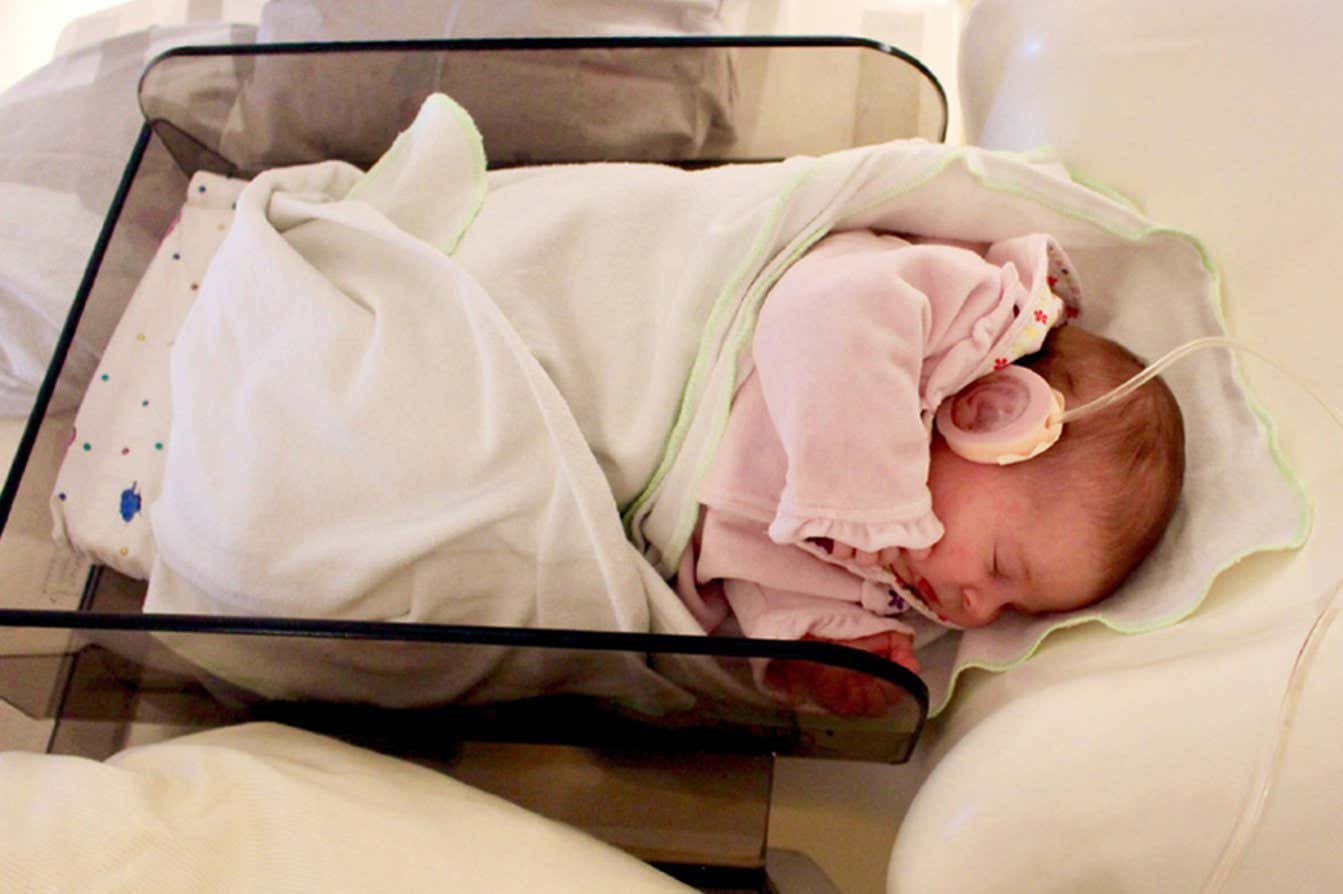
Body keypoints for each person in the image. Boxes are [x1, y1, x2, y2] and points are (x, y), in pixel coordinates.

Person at [673, 229, 1186, 715]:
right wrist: (871, 485)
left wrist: (828, 641)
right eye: (999, 566)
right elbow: (821, 307)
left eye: (1009, 610)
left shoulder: (885, 563)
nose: (979, 610)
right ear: (991, 416)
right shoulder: (959, 319)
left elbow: (753, 554)